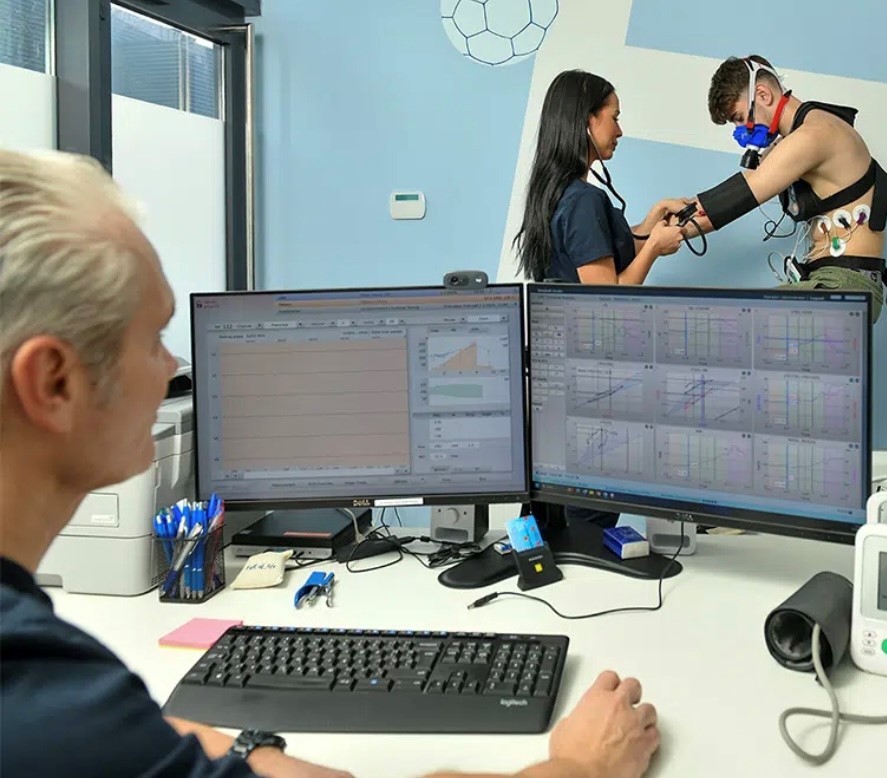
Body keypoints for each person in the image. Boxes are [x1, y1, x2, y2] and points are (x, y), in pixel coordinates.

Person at [0, 149, 660, 778]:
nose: (174, 366)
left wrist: (246, 751)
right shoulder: (39, 694)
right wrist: (583, 767)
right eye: (152, 339)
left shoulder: (50, 686)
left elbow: (139, 743)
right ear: (53, 381)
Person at [513, 69, 688, 529]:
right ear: (586, 121)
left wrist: (650, 221)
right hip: (591, 388)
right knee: (588, 519)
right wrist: (654, 248)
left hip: (560, 386)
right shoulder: (585, 200)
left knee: (557, 515)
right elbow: (606, 300)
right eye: (614, 117)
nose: (620, 130)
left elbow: (591, 260)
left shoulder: (555, 193)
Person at [683, 55, 887, 323]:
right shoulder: (805, 131)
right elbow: (740, 186)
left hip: (844, 285)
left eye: (740, 118)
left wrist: (659, 235)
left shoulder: (812, 136)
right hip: (832, 281)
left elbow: (735, 199)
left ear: (763, 95)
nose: (741, 130)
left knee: (727, 324)